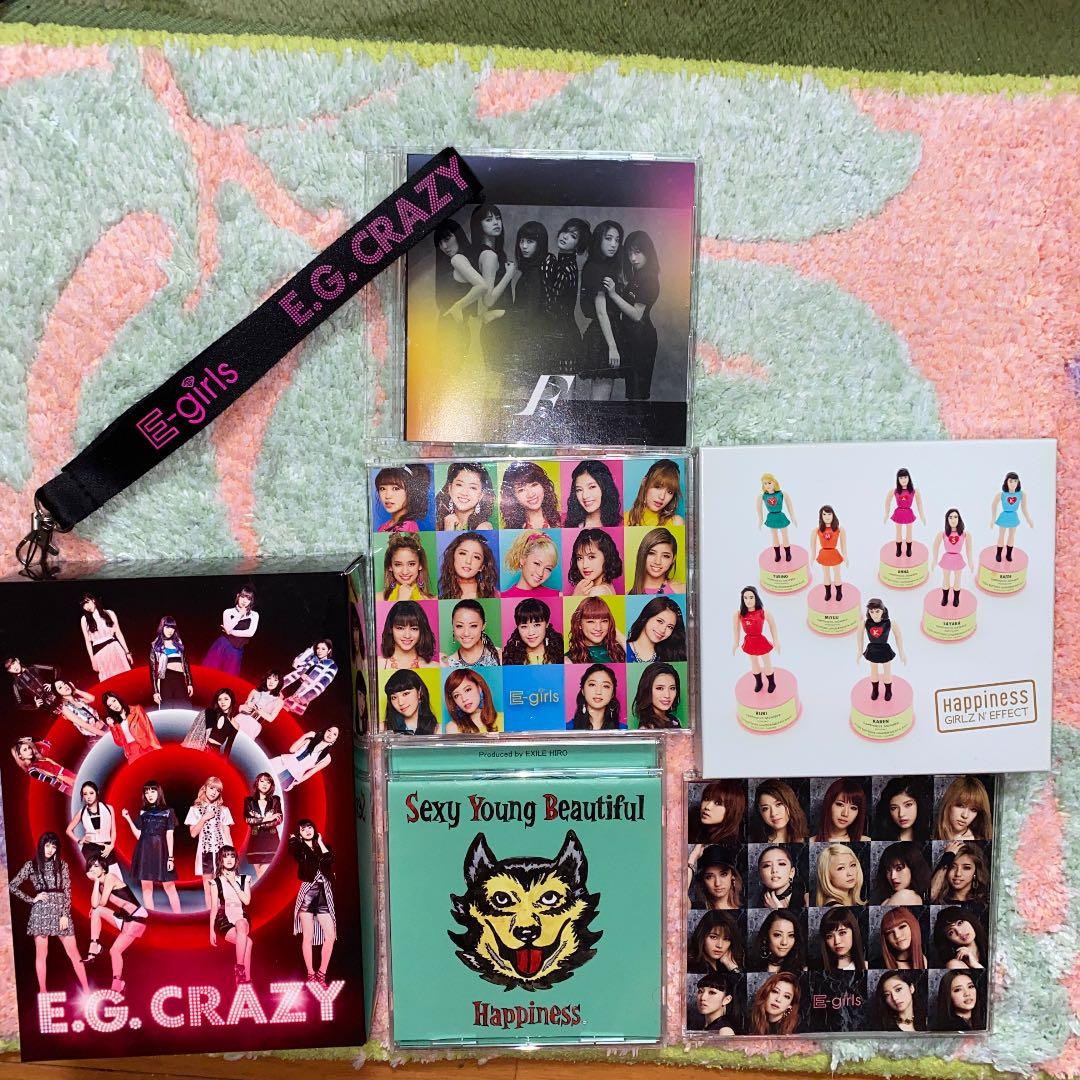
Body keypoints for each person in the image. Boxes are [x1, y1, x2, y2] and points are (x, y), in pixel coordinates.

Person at [9, 833, 89, 994]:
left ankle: (87, 990)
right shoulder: (31, 865)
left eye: (54, 846)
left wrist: (65, 914)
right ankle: (43, 991)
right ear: (41, 845)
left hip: (60, 911)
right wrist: (32, 899)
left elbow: (67, 891)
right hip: (41, 911)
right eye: (47, 845)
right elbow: (12, 886)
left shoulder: (62, 865)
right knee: (41, 954)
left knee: (74, 953)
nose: (50, 849)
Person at [603, 231, 661, 400]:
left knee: (637, 394)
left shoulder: (649, 279)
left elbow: (636, 315)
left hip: (642, 340)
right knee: (633, 392)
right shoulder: (639, 275)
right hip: (633, 338)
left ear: (647, 252)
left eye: (637, 252)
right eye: (629, 253)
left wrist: (613, 294)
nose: (633, 258)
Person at [82, 856, 148, 992]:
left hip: (136, 918)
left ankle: (117, 983)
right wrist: (96, 883)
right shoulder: (100, 885)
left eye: (96, 866)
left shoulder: (110, 878)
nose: (93, 869)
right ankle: (94, 945)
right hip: (125, 918)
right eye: (91, 866)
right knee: (96, 911)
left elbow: (102, 902)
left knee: (115, 950)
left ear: (103, 868)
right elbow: (95, 905)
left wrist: (95, 881)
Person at [578, 220, 624, 401]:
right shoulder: (595, 268)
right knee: (600, 400)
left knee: (603, 397)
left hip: (608, 332)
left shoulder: (606, 266)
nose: (614, 244)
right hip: (603, 336)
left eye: (617, 240)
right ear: (599, 239)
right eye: (608, 238)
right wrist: (612, 346)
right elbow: (601, 312)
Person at [289, 819, 337, 987]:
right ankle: (310, 973)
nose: (307, 831)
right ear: (299, 833)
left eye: (309, 827)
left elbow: (329, 859)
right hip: (308, 892)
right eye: (303, 829)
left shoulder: (324, 846)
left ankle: (322, 973)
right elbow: (293, 850)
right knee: (307, 936)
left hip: (324, 892)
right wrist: (295, 839)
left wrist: (321, 842)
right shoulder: (300, 848)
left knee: (330, 936)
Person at [123, 781, 180, 912]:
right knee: (147, 888)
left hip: (162, 853)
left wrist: (170, 858)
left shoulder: (168, 811)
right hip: (144, 852)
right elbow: (139, 835)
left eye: (153, 791)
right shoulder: (143, 812)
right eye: (147, 792)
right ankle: (152, 919)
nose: (149, 795)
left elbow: (169, 835)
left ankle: (179, 916)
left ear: (158, 792)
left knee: (170, 887)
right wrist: (128, 819)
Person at [186, 775, 235, 907]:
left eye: (217, 790)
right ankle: (212, 915)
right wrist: (204, 818)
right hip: (205, 853)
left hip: (221, 853)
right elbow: (193, 833)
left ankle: (224, 914)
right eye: (212, 788)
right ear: (205, 788)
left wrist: (232, 855)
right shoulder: (195, 810)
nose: (214, 792)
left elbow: (227, 834)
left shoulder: (224, 810)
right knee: (208, 889)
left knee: (223, 888)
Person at [210, 846, 253, 986]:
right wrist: (211, 930)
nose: (229, 859)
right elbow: (214, 907)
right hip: (224, 920)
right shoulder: (215, 882)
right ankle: (246, 981)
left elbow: (246, 901)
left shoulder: (244, 879)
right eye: (225, 856)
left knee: (241, 923)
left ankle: (239, 968)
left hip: (241, 916)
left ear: (236, 859)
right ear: (221, 860)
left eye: (232, 856)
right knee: (248, 943)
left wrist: (234, 882)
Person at [857, 598, 907, 702]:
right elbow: (859, 637)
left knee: (887, 672)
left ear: (883, 611)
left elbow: (898, 637)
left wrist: (902, 652)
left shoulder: (889, 622)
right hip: (872, 649)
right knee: (873, 671)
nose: (874, 614)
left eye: (877, 611)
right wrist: (859, 652)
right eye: (871, 612)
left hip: (885, 649)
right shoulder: (865, 623)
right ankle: (875, 690)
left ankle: (888, 690)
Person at [65, 780, 119, 876]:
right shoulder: (82, 812)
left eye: (91, 793)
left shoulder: (109, 808)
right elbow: (68, 830)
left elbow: (113, 830)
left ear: (97, 792)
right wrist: (79, 841)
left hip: (106, 848)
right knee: (97, 880)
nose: (88, 797)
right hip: (90, 849)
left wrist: (111, 845)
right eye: (85, 794)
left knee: (116, 878)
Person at [733, 586, 779, 695]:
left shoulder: (763, 612)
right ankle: (759, 682)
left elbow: (773, 626)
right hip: (749, 641)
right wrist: (736, 643)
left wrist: (776, 641)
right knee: (754, 662)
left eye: (751, 597)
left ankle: (771, 682)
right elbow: (736, 629)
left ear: (756, 598)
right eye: (745, 598)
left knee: (767, 662)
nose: (748, 601)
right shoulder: (739, 614)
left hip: (760, 640)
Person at [203, 586, 259, 674]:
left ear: (251, 601)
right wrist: (239, 615)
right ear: (238, 596)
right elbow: (228, 627)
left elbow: (250, 633)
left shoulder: (254, 615)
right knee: (210, 672)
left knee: (229, 676)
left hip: (237, 650)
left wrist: (230, 632)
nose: (244, 601)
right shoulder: (228, 612)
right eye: (242, 597)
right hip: (223, 645)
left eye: (248, 598)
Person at [79, 593, 132, 680]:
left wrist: (127, 652)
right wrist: (92, 660)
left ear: (93, 600)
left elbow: (118, 633)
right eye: (83, 605)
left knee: (125, 677)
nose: (86, 606)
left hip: (115, 648)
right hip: (100, 653)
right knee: (108, 680)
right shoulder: (84, 620)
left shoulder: (109, 613)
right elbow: (87, 642)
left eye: (87, 602)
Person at [269, 726, 340, 790]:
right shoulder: (309, 741)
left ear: (335, 740)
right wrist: (305, 735)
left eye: (334, 734)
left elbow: (311, 772)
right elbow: (292, 750)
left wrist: (297, 782)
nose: (330, 734)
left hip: (291, 775)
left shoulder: (327, 758)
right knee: (263, 773)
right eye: (329, 730)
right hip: (282, 763)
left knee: (270, 790)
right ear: (325, 731)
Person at [498, 460, 561, 529]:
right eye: (521, 490)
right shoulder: (511, 531)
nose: (531, 494)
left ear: (543, 486)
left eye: (534, 485)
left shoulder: (563, 521)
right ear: (513, 497)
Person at [281, 640, 338, 715]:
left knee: (280, 715)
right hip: (288, 684)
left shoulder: (331, 666)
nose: (319, 651)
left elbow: (321, 686)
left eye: (323, 649)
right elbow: (296, 664)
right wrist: (310, 651)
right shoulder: (312, 659)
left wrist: (304, 698)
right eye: (318, 648)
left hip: (299, 694)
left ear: (329, 650)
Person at [437, 531, 500, 599]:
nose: (468, 561)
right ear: (452, 557)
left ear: (482, 567)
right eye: (463, 553)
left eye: (476, 557)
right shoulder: (442, 599)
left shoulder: (495, 596)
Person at [501, 598, 564, 666]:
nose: (531, 633)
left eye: (537, 625)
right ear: (518, 627)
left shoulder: (560, 652)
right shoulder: (509, 657)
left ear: (547, 624)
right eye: (524, 626)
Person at [436, 462, 496, 531]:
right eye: (459, 485)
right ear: (449, 488)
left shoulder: (483, 527)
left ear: (481, 495)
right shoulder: (437, 525)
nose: (464, 493)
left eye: (473, 487)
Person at [565, 596, 626, 664]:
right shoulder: (568, 660)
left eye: (604, 621)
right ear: (579, 624)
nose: (598, 628)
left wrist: (620, 637)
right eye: (591, 621)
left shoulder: (620, 651)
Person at [243, 774, 283, 878]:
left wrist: (259, 823)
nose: (265, 784)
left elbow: (279, 819)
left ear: (271, 785)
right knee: (260, 876)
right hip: (255, 840)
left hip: (271, 840)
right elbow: (248, 820)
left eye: (268, 782)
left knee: (264, 874)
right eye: (262, 781)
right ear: (257, 783)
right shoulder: (249, 801)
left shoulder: (275, 800)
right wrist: (267, 819)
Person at [441, 599, 501, 667]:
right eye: (459, 626)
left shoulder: (500, 656)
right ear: (453, 627)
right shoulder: (447, 664)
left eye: (473, 626)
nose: (466, 633)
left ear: (483, 626)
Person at [182, 688, 242, 756]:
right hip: (200, 747)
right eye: (219, 699)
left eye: (226, 699)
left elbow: (228, 748)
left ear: (232, 700)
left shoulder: (235, 725)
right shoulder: (211, 713)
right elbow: (196, 732)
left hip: (214, 753)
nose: (222, 702)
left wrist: (223, 761)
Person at [378, 601, 438, 669]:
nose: (407, 636)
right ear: (391, 629)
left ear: (422, 631)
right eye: (400, 628)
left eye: (414, 629)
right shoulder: (377, 664)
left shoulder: (434, 667)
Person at [102, 692, 161, 761]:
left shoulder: (137, 709)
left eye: (114, 701)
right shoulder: (115, 722)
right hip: (132, 752)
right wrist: (112, 727)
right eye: (110, 705)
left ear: (118, 699)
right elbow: (120, 743)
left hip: (146, 746)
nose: (114, 705)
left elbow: (149, 730)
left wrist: (157, 748)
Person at [149, 615, 193, 707]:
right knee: (167, 708)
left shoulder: (179, 643)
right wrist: (155, 691)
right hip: (166, 679)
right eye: (167, 627)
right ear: (162, 627)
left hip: (180, 679)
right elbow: (152, 670)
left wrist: (190, 683)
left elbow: (186, 664)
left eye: (172, 628)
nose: (170, 631)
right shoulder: (155, 645)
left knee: (184, 708)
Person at [932, 508, 973, 607]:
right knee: (946, 579)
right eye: (950, 517)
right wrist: (934, 560)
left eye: (955, 517)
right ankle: (945, 597)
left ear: (959, 518)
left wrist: (970, 561)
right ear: (947, 519)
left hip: (958, 559)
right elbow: (935, 547)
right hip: (947, 558)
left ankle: (956, 598)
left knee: (957, 579)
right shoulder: (942, 534)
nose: (953, 519)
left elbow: (969, 549)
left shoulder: (965, 534)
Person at [626, 597, 687, 663]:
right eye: (660, 621)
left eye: (670, 627)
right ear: (646, 617)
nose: (663, 630)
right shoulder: (621, 650)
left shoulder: (670, 657)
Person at [990, 471, 1033, 563]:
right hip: (1004, 516)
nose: (1013, 484)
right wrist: (993, 518)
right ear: (1006, 482)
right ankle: (998, 553)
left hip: (1013, 516)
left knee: (1012, 535)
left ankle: (1009, 554)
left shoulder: (1021, 494)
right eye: (1011, 481)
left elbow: (1024, 508)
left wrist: (1028, 519)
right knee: (1001, 535)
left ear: (1018, 482)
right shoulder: (1001, 495)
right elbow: (993, 505)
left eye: (1015, 481)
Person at [627, 459, 684, 527]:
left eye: (670, 492)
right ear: (645, 482)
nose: (662, 497)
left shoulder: (676, 522)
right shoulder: (626, 518)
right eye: (657, 487)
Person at [564, 460, 622, 528]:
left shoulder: (622, 524)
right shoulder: (565, 522)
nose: (584, 496)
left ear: (605, 488)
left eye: (592, 487)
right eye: (579, 490)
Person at [501, 531, 560, 598]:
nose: (540, 573)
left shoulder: (558, 596)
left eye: (548, 568)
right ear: (522, 559)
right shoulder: (503, 598)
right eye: (537, 563)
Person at [373, 464, 430, 533]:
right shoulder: (385, 526)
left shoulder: (406, 528)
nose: (387, 496)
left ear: (410, 492)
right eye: (382, 488)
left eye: (395, 488)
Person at [567, 663, 624, 731]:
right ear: (583, 690)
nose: (598, 692)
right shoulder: (566, 729)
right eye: (592, 684)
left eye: (605, 686)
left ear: (612, 694)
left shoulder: (624, 730)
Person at [934, 776, 993, 840]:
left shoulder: (977, 839)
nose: (965, 815)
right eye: (960, 806)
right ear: (948, 804)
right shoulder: (934, 834)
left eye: (973, 810)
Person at [882, 468, 925, 558]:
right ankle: (898, 549)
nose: (903, 480)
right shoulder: (894, 491)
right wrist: (886, 514)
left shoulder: (914, 491)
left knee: (909, 531)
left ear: (909, 478)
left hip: (908, 512)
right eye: (901, 478)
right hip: (899, 513)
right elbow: (887, 502)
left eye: (905, 477)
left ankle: (909, 549)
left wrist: (922, 516)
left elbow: (919, 504)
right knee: (898, 531)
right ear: (898, 479)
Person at [688, 780, 746, 845]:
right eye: (706, 799)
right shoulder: (700, 834)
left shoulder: (722, 847)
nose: (707, 807)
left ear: (732, 810)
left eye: (718, 803)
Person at [629, 527, 685, 595]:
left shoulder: (682, 590)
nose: (657, 562)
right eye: (651, 553)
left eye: (665, 556)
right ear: (642, 554)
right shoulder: (628, 595)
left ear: (673, 559)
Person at [568, 528, 622, 596]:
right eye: (579, 558)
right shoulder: (604, 587)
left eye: (591, 557)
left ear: (606, 557)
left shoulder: (597, 591)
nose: (584, 565)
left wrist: (576, 595)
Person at [873, 841, 931, 906]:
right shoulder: (908, 896)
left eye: (899, 868)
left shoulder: (904, 895)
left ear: (913, 869)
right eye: (888, 870)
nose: (892, 877)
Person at [750, 780, 808, 844]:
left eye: (778, 804)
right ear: (760, 813)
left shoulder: (809, 840)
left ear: (791, 804)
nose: (773, 813)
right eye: (765, 808)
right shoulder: (756, 842)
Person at [10, 737, 75, 794]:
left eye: (29, 748)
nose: (29, 751)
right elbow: (52, 781)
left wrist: (32, 739)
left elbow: (48, 744)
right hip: (65, 782)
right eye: (25, 750)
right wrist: (66, 781)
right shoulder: (32, 770)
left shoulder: (39, 758)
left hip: (66, 774)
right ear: (20, 756)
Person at [383, 669, 439, 734]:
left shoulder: (437, 729)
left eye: (405, 694)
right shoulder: (382, 728)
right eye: (394, 697)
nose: (400, 703)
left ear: (419, 692)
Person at [444, 669, 501, 734]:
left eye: (468, 690)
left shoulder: (504, 719)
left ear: (479, 688)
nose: (464, 699)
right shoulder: (453, 727)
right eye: (456, 695)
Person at [688, 909, 744, 975]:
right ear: (702, 936)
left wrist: (730, 965)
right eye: (713, 937)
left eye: (726, 939)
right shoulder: (694, 969)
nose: (719, 945)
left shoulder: (724, 964)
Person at [756, 473, 797, 563]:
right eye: (765, 483)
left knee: (785, 535)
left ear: (774, 483)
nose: (767, 485)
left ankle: (788, 553)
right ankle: (777, 554)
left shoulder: (781, 494)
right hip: (771, 517)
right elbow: (759, 509)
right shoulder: (763, 496)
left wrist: (793, 517)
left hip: (780, 516)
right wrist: (760, 520)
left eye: (769, 483)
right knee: (774, 536)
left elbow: (790, 506)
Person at [810, 505, 847, 602]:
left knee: (837, 574)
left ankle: (839, 592)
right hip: (824, 554)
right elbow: (812, 546)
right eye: (824, 514)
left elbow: (843, 545)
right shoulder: (817, 530)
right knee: (826, 574)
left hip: (834, 553)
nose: (827, 516)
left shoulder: (839, 529)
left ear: (833, 515)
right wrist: (812, 557)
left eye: (829, 514)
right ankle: (828, 592)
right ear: (821, 516)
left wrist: (846, 557)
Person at [688, 844, 743, 910]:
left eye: (723, 874)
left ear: (732, 876)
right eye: (709, 877)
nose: (717, 883)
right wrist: (692, 857)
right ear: (703, 880)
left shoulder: (745, 909)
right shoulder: (696, 908)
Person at [874, 777, 930, 841]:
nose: (901, 814)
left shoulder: (929, 837)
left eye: (908, 805)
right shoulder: (880, 838)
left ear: (919, 805)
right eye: (894, 808)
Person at [814, 778, 870, 842]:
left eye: (853, 808)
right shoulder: (812, 840)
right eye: (840, 804)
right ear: (829, 804)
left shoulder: (865, 840)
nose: (845, 814)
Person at [381, 533, 434, 600]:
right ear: (390, 566)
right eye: (398, 564)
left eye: (411, 564)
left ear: (420, 565)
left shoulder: (433, 600)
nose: (405, 572)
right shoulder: (377, 599)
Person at [632, 662, 682, 729]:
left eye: (672, 688)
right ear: (647, 690)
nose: (667, 695)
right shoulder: (648, 728)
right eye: (660, 688)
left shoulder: (674, 719)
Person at [236, 670, 285, 739]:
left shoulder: (279, 701)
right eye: (269, 678)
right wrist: (242, 707)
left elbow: (271, 718)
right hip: (241, 718)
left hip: (254, 726)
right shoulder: (255, 691)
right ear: (266, 679)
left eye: (275, 680)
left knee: (240, 744)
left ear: (279, 683)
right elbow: (243, 707)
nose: (271, 682)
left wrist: (258, 710)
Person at [755, 845, 806, 910]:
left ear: (792, 872)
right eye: (767, 865)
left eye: (781, 864)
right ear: (760, 875)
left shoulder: (806, 899)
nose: (774, 870)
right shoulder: (759, 904)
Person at [815, 843, 866, 907]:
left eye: (852, 865)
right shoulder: (836, 906)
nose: (850, 873)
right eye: (841, 868)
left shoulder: (849, 901)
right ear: (827, 875)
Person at [819, 906, 866, 973]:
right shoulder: (820, 971)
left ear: (853, 932)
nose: (837, 942)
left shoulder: (866, 966)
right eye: (829, 936)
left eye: (842, 933)